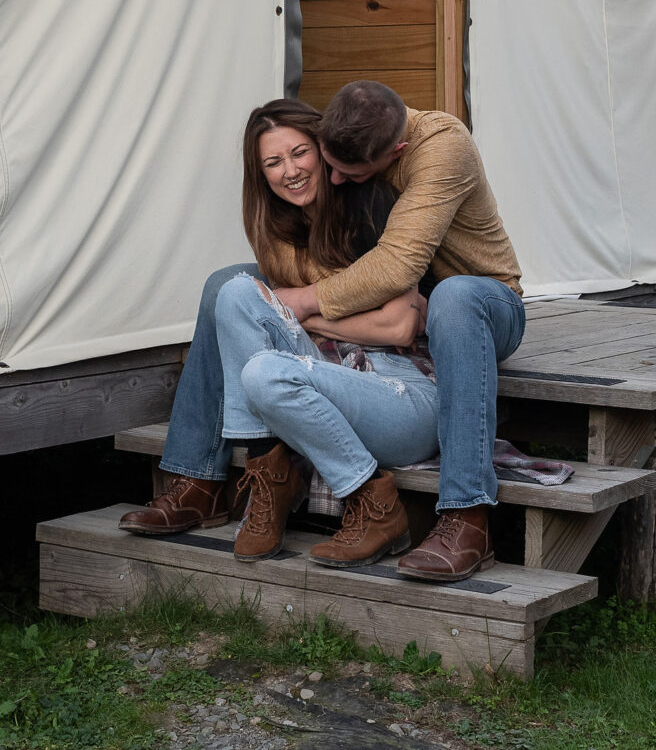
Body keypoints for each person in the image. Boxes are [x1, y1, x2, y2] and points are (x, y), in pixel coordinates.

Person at [120, 99, 439, 569]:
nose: (290, 171)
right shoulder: (280, 225)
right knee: (232, 294)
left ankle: (367, 499)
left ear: (323, 151)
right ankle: (269, 476)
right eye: (273, 162)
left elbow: (399, 326)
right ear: (261, 175)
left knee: (260, 349)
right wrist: (300, 313)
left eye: (299, 153)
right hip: (330, 376)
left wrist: (303, 311)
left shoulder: (372, 204)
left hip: (400, 390)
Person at [269, 81, 525, 582]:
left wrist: (301, 302)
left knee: (455, 296)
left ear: (398, 150)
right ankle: (201, 481)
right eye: (331, 164)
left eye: (350, 172)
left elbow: (395, 267)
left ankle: (467, 518)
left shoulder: (443, 145)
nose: (336, 180)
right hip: (407, 315)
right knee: (230, 282)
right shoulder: (355, 130)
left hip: (486, 306)